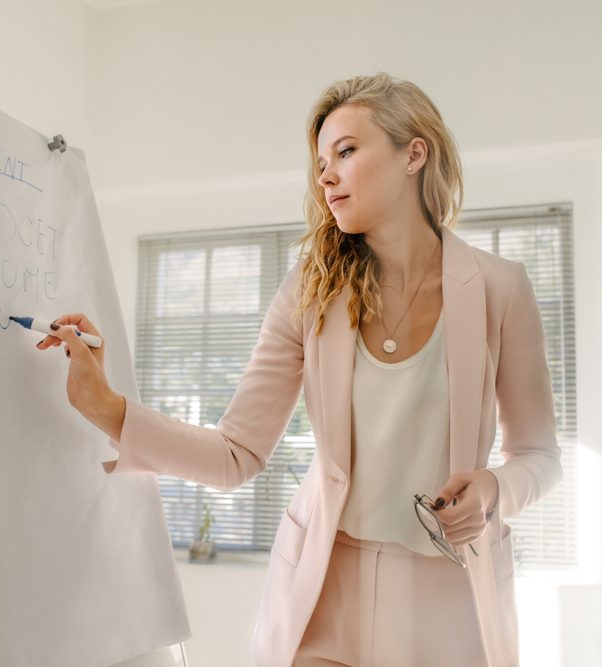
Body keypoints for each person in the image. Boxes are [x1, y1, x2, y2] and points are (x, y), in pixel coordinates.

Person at [38, 72, 562, 667]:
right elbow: (236, 452)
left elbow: (540, 457)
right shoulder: (310, 291)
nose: (327, 175)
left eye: (346, 151)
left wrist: (494, 488)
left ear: (414, 153)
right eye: (321, 162)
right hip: (323, 589)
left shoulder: (500, 289)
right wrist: (105, 405)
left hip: (450, 601)